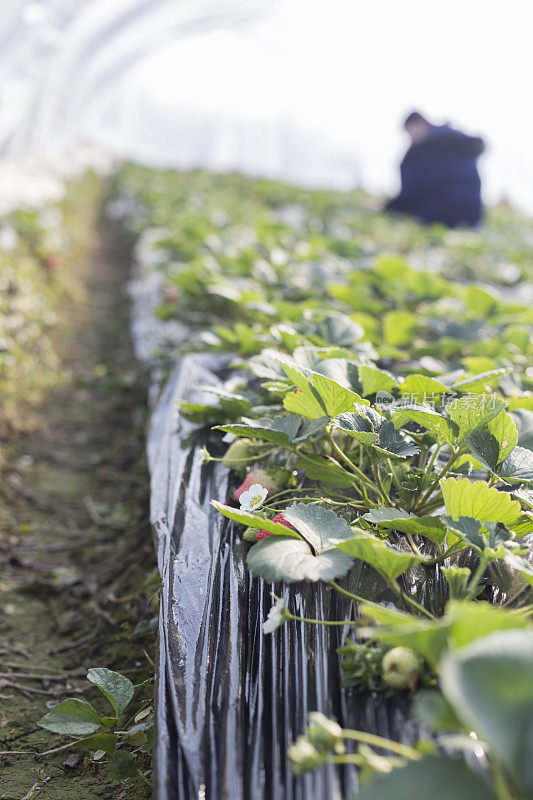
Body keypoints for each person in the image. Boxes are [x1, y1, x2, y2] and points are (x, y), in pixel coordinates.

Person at [386, 111, 485, 227]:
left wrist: (388, 208)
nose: (411, 139)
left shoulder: (424, 152)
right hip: (472, 216)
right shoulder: (460, 141)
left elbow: (412, 192)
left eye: (410, 133)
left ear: (420, 124)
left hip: (439, 218)